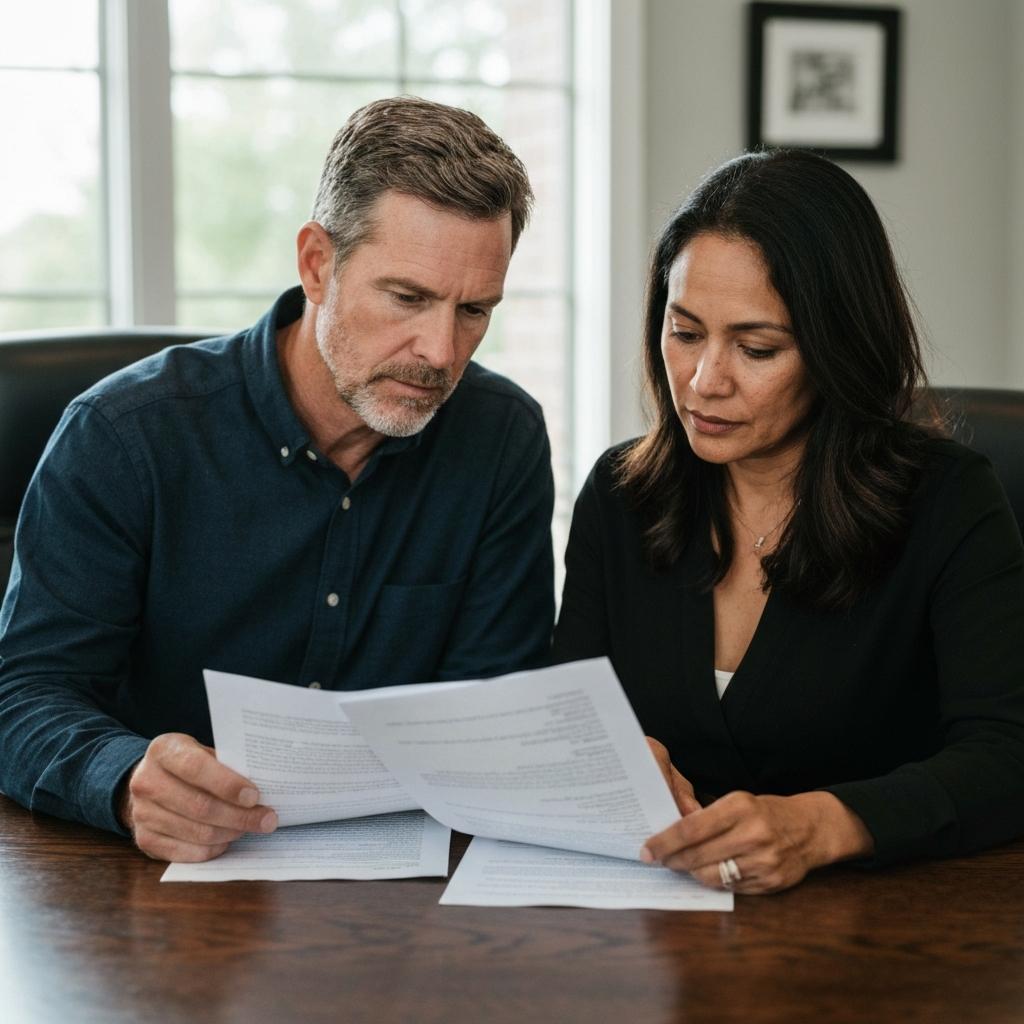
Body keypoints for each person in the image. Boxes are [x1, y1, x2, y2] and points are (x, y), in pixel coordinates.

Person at [0, 96, 555, 863]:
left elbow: (494, 708)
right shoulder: (124, 435)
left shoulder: (501, 438)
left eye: (474, 311)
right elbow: (23, 695)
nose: (439, 350)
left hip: (405, 898)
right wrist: (127, 780)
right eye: (408, 298)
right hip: (156, 884)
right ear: (318, 265)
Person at [551, 149, 1024, 894]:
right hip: (659, 921)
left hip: (886, 933)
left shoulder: (949, 500)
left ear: (838, 349)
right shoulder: (620, 493)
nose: (706, 382)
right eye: (684, 332)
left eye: (757, 347)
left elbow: (1006, 755)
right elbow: (567, 710)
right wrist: (609, 755)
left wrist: (822, 825)